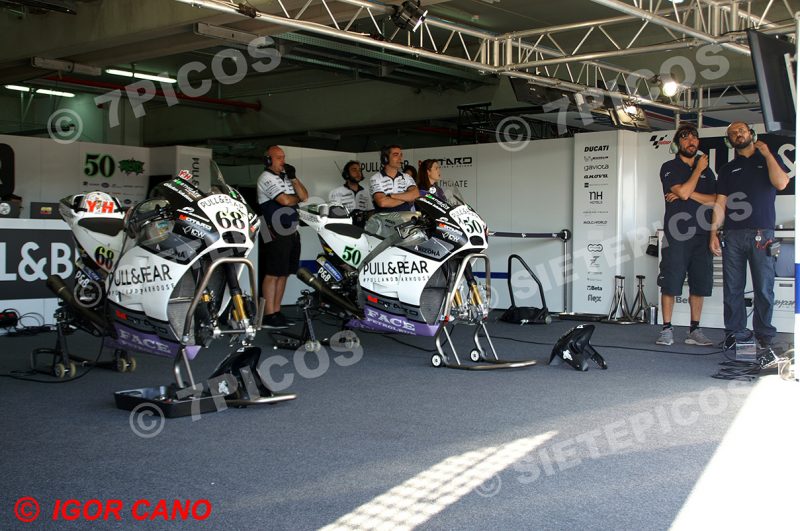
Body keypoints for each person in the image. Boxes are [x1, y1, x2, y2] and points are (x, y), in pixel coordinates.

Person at [710, 122, 789, 366]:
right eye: (733, 133)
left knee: (763, 288)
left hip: (761, 234)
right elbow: (720, 203)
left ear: (750, 134)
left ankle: (764, 337)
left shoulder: (768, 158)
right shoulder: (727, 169)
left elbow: (781, 183)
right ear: (729, 140)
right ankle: (736, 335)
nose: (738, 134)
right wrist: (713, 232)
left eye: (741, 131)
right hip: (732, 235)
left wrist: (767, 154)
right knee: (732, 289)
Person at [656, 124, 717, 347]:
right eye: (685, 137)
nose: (691, 141)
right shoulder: (669, 167)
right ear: (677, 143)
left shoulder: (709, 172)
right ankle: (667, 329)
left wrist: (687, 193)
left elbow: (714, 200)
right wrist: (697, 170)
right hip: (676, 235)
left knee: (699, 284)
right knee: (670, 282)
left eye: (694, 137)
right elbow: (681, 192)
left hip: (702, 234)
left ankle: (694, 330)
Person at [257, 145, 309, 329]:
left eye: (283, 157)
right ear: (268, 160)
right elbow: (285, 200)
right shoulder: (265, 177)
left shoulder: (287, 177)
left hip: (291, 229)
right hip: (272, 228)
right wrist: (296, 198)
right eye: (278, 158)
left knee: (284, 272)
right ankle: (268, 314)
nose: (283, 161)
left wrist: (293, 178)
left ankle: (276, 311)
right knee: (272, 272)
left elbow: (305, 196)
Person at [370, 145, 418, 213]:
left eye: (401, 155)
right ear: (386, 158)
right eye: (396, 155)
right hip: (384, 219)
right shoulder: (376, 178)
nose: (400, 158)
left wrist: (391, 196)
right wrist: (407, 198)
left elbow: (415, 195)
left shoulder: (407, 177)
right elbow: (382, 202)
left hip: (405, 219)